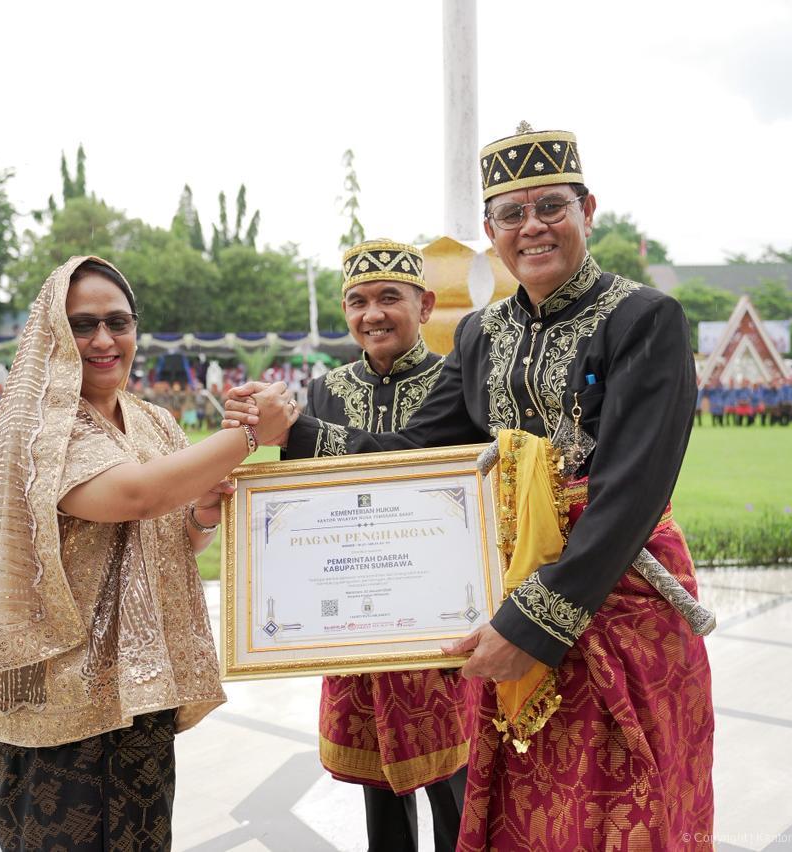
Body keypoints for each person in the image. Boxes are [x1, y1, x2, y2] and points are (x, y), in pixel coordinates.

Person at [228, 124, 713, 849]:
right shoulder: (483, 334)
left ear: (588, 210)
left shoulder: (644, 318)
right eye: (512, 215)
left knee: (621, 806)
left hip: (619, 599)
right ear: (492, 232)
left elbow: (632, 491)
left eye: (551, 206)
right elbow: (414, 452)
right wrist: (292, 431)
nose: (533, 227)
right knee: (526, 809)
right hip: (506, 587)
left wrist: (533, 627)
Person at [0, 256, 297, 851]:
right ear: (53, 332)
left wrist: (205, 507)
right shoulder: (41, 428)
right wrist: (249, 436)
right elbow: (135, 496)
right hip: (58, 706)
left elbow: (180, 534)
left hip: (140, 693)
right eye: (82, 325)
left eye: (118, 322)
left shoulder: (153, 421)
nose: (104, 340)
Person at [302, 239, 468, 852]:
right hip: (356, 609)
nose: (372, 313)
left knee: (453, 778)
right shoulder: (323, 393)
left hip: (440, 617)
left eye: (389, 298)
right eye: (357, 301)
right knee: (378, 786)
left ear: (424, 305)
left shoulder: (458, 380)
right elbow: (307, 506)